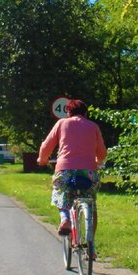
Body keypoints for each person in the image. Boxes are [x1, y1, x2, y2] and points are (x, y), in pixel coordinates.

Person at [37, 99, 106, 239]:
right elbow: (102, 152)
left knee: (60, 193)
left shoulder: (61, 123)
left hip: (65, 170)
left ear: (68, 112)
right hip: (89, 173)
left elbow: (46, 146)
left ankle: (65, 218)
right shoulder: (93, 126)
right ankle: (91, 246)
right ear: (85, 113)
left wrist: (42, 159)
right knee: (91, 203)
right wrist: (98, 161)